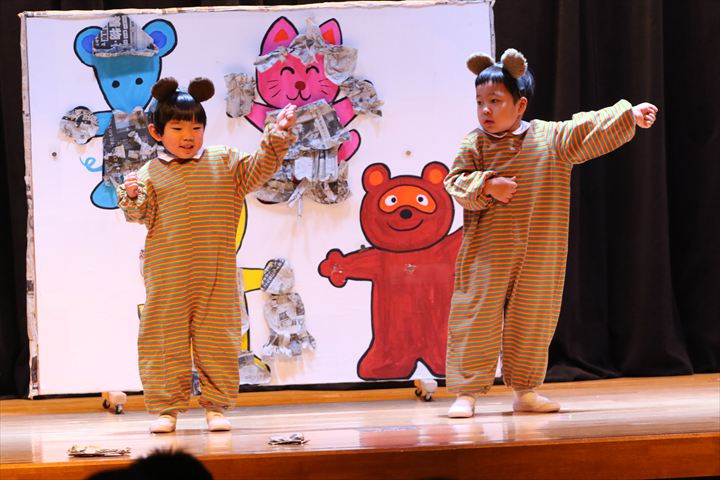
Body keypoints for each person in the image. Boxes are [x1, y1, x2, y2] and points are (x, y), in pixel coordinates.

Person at [443, 48, 657, 418]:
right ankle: (467, 393)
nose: (485, 110)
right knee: (476, 315)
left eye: (495, 101)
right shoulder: (474, 143)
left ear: (520, 105)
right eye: (479, 102)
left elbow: (585, 127)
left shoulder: (549, 139)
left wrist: (629, 115)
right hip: (487, 252)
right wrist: (487, 184)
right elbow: (455, 181)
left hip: (540, 250)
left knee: (533, 316)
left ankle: (525, 390)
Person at [117, 77, 296, 432]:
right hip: (167, 275)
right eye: (178, 128)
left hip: (216, 272)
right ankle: (167, 409)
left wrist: (277, 134)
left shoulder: (223, 161)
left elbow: (260, 168)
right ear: (156, 132)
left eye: (196, 128)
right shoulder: (151, 172)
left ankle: (216, 407)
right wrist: (133, 195)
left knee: (218, 339)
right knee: (164, 339)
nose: (188, 136)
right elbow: (139, 214)